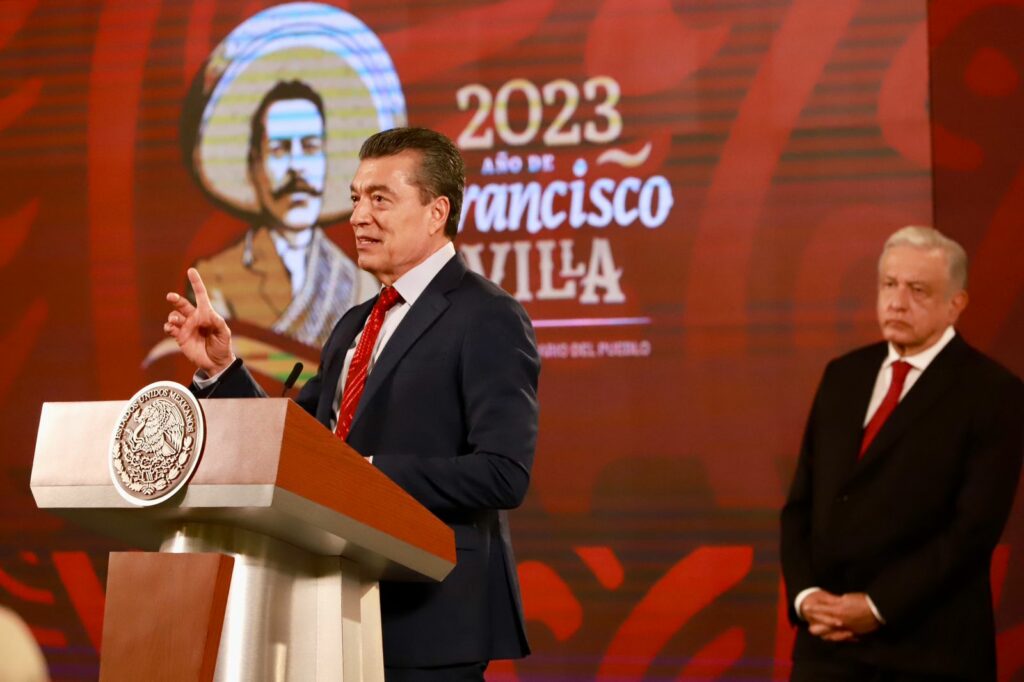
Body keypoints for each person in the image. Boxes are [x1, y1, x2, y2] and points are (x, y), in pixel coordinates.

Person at [164, 127, 540, 680]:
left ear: (436, 213)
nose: (359, 217)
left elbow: (504, 474)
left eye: (380, 199)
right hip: (332, 610)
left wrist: (365, 476)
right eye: (356, 198)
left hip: (432, 617)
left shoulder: (487, 316)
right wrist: (222, 367)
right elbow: (297, 448)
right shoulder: (353, 324)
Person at [780, 225, 1024, 681]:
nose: (896, 302)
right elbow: (800, 507)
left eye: (918, 290)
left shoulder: (993, 393)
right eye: (889, 285)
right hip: (825, 652)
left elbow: (971, 533)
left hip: (927, 654)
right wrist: (806, 596)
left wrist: (877, 606)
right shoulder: (842, 376)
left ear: (956, 304)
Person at [190, 80, 374, 347]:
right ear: (254, 164)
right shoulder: (215, 281)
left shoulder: (359, 285)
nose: (297, 166)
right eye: (279, 150)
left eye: (310, 147)